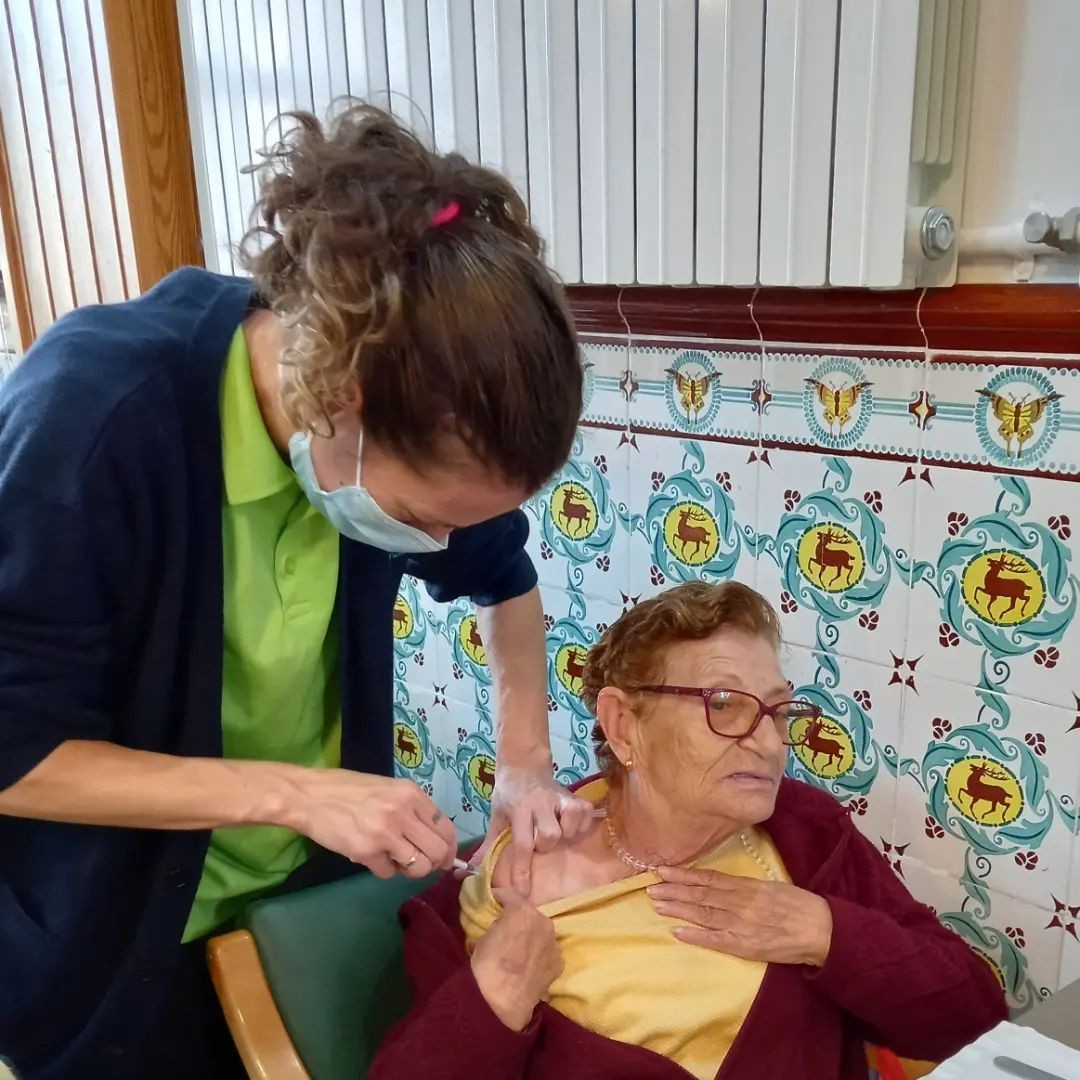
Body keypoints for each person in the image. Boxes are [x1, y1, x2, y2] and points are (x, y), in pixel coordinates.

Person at [0, 105, 594, 1079]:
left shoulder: (409, 414)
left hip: (299, 903)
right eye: (425, 517)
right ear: (339, 403)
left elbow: (505, 582)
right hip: (111, 941)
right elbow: (16, 754)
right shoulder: (93, 422)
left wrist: (525, 764)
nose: (444, 545)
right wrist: (295, 794)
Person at [371, 581, 1008, 1080]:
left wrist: (824, 933)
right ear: (624, 726)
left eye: (778, 711)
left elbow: (972, 1018)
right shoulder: (511, 881)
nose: (769, 744)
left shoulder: (805, 836)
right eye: (724, 705)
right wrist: (498, 992)